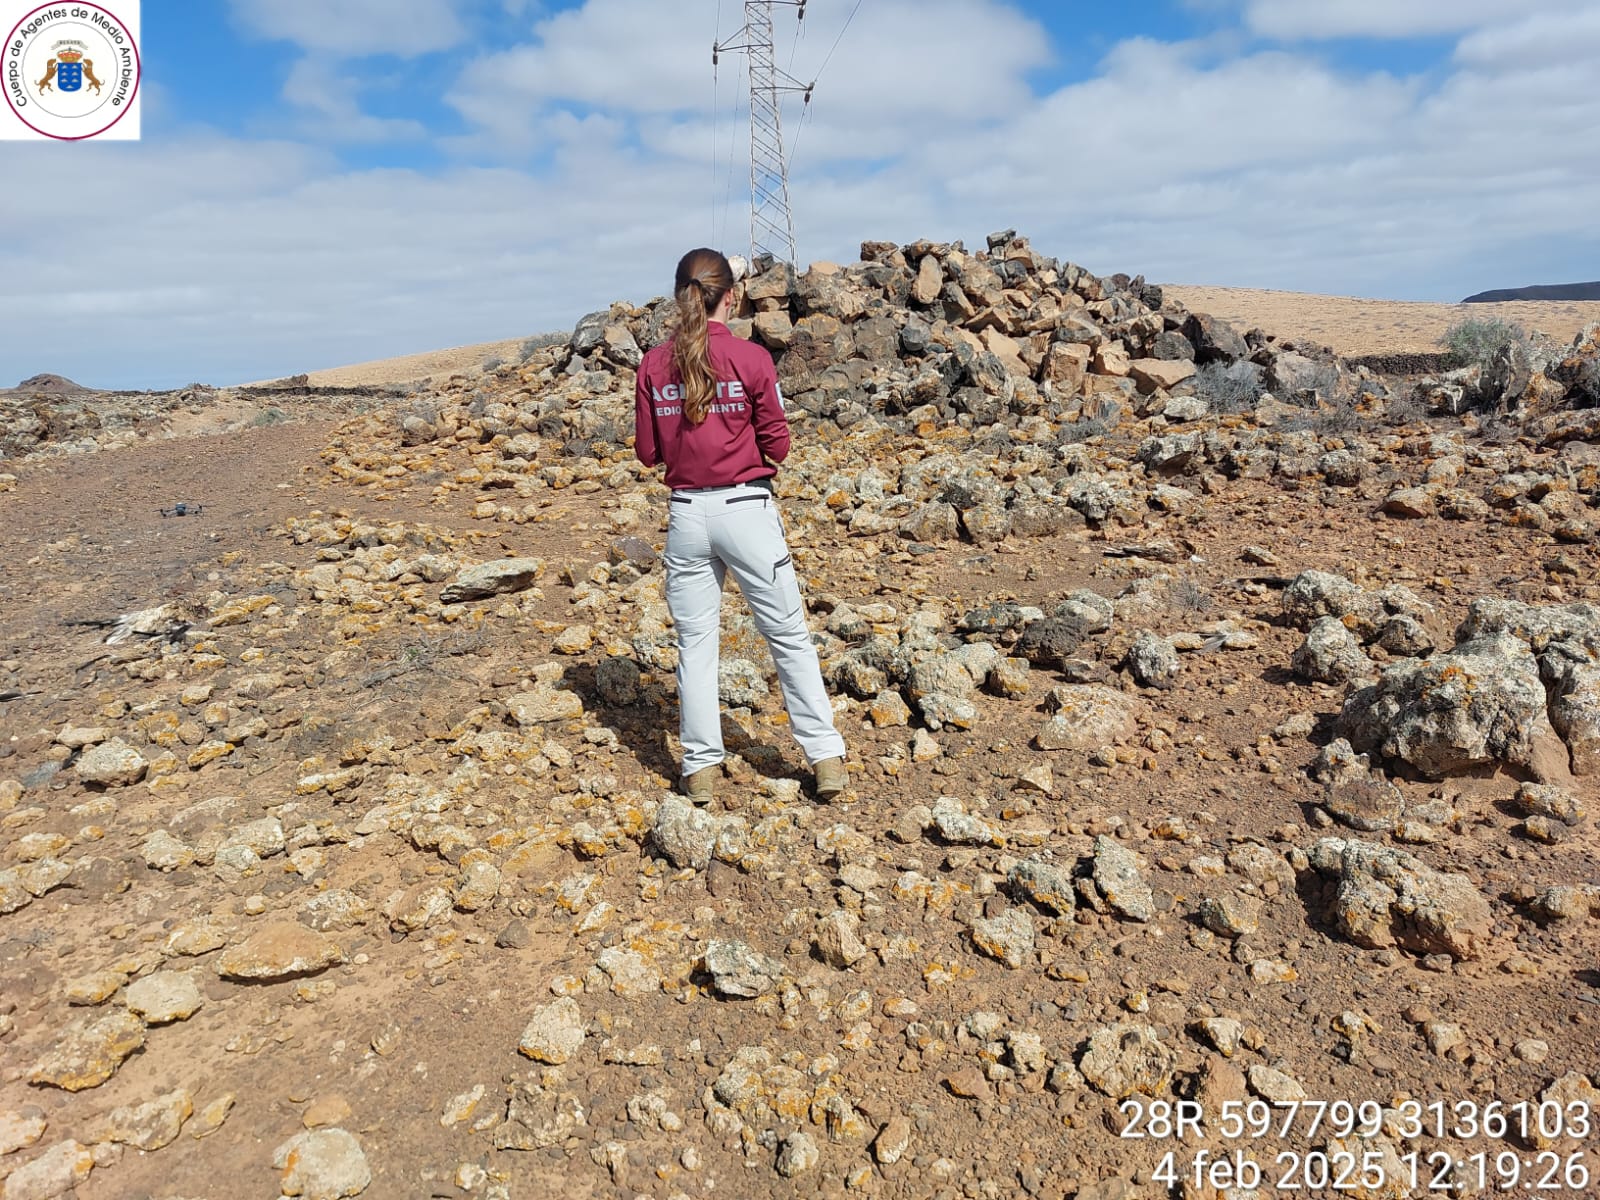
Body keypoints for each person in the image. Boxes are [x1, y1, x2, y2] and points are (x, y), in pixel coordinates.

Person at [634, 247, 848, 804]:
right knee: (788, 636)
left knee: (696, 644)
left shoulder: (655, 365)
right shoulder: (753, 360)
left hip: (687, 514)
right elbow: (777, 438)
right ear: (731, 295)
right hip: (746, 510)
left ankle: (700, 768)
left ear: (681, 294)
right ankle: (824, 757)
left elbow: (647, 452)